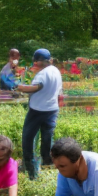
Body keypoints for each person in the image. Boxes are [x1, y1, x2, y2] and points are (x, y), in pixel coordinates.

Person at [17, 49, 62, 181]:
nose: (35, 64)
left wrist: (17, 87)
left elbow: (36, 88)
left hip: (37, 111)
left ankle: (32, 173)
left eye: (36, 61)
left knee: (28, 140)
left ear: (39, 61)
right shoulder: (56, 71)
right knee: (47, 140)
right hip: (52, 110)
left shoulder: (43, 74)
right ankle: (49, 166)